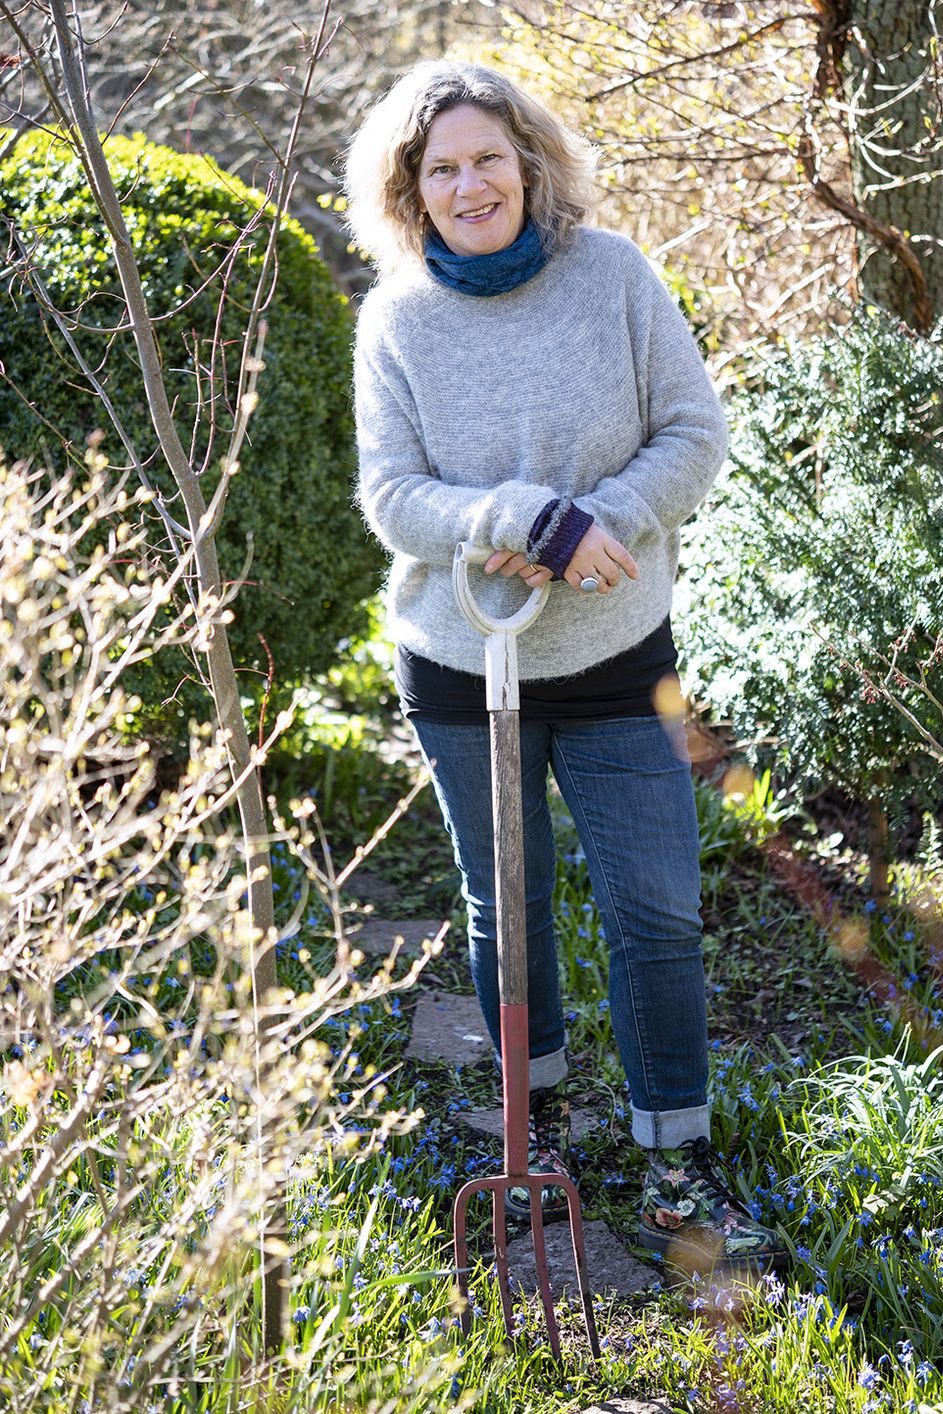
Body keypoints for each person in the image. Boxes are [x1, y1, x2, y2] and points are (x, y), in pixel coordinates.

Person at [344, 59, 787, 1272]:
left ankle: (673, 1155)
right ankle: (532, 1138)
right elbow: (392, 497)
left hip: (611, 649)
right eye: (440, 169)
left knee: (654, 906)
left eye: (487, 157)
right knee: (509, 906)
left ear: (529, 163)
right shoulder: (395, 320)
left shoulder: (612, 279)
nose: (467, 182)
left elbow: (693, 432)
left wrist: (607, 523)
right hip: (459, 662)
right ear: (410, 190)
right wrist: (522, 519)